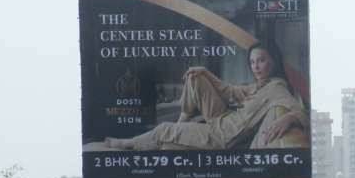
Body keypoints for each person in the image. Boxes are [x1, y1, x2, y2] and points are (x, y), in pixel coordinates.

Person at [104, 40, 308, 151]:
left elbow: (301, 112)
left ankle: (127, 143)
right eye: (253, 62)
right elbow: (230, 91)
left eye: (261, 60)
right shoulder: (260, 86)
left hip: (222, 135)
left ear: (273, 62)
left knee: (164, 129)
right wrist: (206, 72)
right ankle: (182, 121)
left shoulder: (277, 88)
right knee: (196, 77)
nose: (256, 67)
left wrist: (290, 118)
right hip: (222, 118)